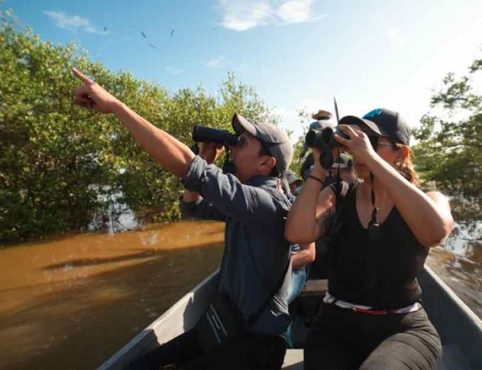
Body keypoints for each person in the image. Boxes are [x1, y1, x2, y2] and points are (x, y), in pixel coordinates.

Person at [71, 68, 294, 369]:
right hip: (227, 325)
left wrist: (118, 108)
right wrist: (206, 158)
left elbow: (188, 169)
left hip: (256, 344)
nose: (233, 145)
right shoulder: (247, 199)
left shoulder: (266, 203)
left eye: (241, 143)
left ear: (266, 163)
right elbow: (193, 208)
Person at [285, 108, 455, 370]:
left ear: (401, 153)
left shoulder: (430, 200)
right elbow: (297, 233)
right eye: (357, 141)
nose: (359, 150)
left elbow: (435, 232)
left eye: (372, 141)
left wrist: (373, 160)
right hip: (336, 325)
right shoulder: (338, 194)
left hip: (403, 328)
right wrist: (320, 167)